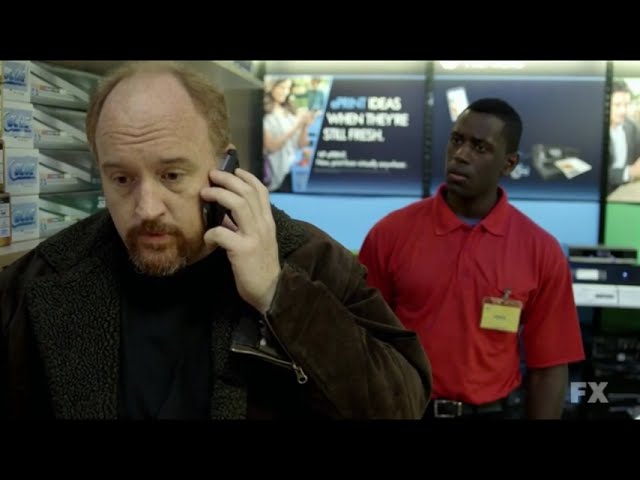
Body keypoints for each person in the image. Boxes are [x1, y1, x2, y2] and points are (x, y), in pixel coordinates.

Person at [0, 61, 431, 419]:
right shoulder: (44, 278)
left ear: (225, 166)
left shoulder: (308, 258)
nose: (147, 207)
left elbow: (403, 404)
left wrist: (279, 293)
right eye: (121, 179)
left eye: (172, 175)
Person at [359, 98, 585, 419]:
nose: (461, 154)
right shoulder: (389, 234)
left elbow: (548, 368)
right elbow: (361, 343)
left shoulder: (541, 251)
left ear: (508, 164)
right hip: (404, 409)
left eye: (480, 147)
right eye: (457, 140)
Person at [262, 78, 315, 192]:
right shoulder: (265, 114)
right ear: (272, 87)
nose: (285, 92)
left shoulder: (290, 112)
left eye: (288, 88)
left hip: (291, 170)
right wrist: (296, 126)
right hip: (274, 173)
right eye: (282, 87)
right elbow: (271, 146)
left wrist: (304, 126)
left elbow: (301, 144)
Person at [608, 80, 640, 194]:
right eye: (617, 105)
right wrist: (629, 172)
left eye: (626, 104)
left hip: (628, 189)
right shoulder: (591, 131)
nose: (623, 111)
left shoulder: (632, 127)